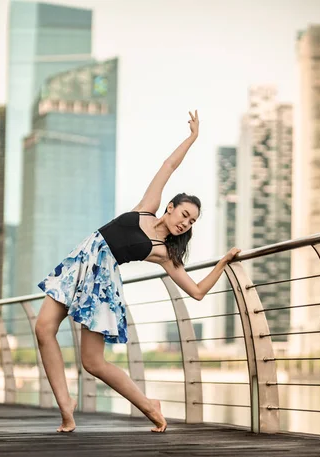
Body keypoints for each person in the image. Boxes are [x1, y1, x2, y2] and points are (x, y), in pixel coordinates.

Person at [35, 110, 241, 434]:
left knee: (93, 363)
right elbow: (168, 166)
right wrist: (192, 138)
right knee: (43, 328)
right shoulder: (146, 207)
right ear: (171, 206)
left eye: (191, 222)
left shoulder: (164, 253)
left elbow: (198, 292)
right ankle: (66, 408)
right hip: (79, 263)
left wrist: (223, 262)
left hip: (101, 283)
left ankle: (148, 405)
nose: (185, 222)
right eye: (184, 214)